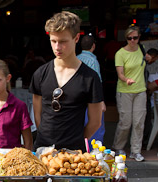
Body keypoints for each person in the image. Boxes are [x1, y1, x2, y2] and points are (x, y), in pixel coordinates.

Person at [29, 11, 103, 151]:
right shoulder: (40, 73)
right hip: (42, 150)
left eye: (63, 41)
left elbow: (95, 122)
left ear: (76, 38)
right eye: (53, 41)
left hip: (74, 154)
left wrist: (76, 140)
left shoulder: (90, 77)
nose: (57, 47)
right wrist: (46, 138)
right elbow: (37, 115)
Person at [112, 25, 146, 161]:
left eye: (135, 38)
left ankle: (135, 150)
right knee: (125, 122)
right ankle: (118, 146)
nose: (132, 40)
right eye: (129, 38)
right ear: (126, 38)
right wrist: (127, 79)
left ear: (139, 38)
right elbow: (120, 74)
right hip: (124, 91)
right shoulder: (120, 53)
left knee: (139, 122)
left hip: (140, 90)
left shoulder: (141, 49)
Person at [77, 34, 106, 147]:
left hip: (78, 98)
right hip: (91, 100)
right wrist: (101, 101)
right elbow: (97, 83)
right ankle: (94, 150)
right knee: (95, 126)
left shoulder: (76, 59)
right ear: (93, 46)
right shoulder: (93, 61)